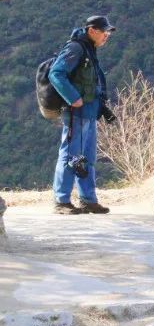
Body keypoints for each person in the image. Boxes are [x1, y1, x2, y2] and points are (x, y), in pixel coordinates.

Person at [47, 15, 117, 215]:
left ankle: (88, 200)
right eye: (104, 32)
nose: (106, 36)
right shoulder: (76, 48)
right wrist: (73, 98)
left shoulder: (89, 49)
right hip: (75, 113)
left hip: (89, 113)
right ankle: (61, 201)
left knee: (87, 158)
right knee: (70, 156)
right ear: (92, 30)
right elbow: (56, 73)